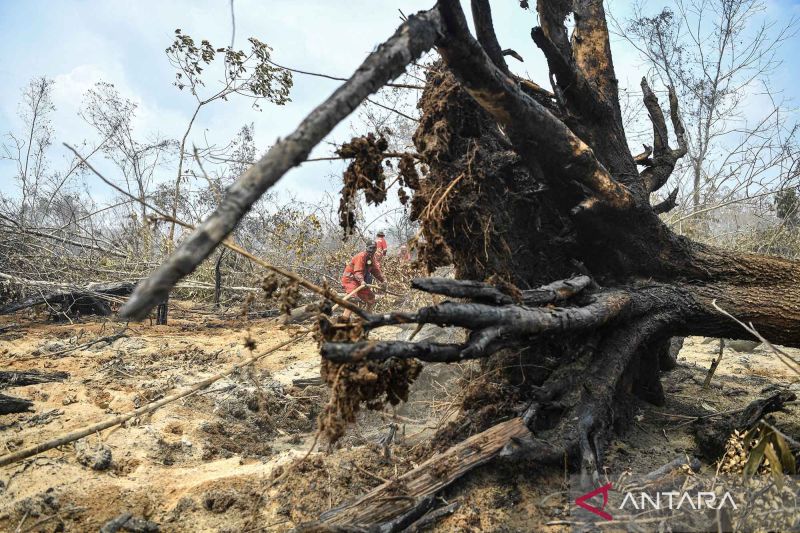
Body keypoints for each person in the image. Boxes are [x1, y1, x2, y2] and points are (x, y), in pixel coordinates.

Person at [341, 241, 385, 319]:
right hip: (350, 280)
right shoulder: (361, 256)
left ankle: (367, 319)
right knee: (353, 300)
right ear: (366, 248)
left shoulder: (371, 258)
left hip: (359, 282)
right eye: (370, 248)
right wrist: (362, 281)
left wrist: (383, 281)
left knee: (371, 298)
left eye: (374, 248)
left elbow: (376, 271)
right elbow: (358, 272)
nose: (372, 250)